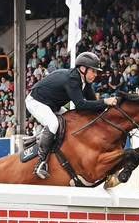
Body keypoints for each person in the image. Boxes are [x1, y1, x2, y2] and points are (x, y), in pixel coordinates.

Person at [25, 51, 118, 179]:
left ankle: (40, 139)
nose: (96, 75)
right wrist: (105, 101)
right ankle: (40, 163)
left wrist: (110, 111)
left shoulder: (84, 81)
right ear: (83, 69)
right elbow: (81, 105)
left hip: (52, 104)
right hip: (36, 101)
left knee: (73, 120)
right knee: (53, 123)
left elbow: (93, 105)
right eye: (94, 71)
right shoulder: (73, 80)